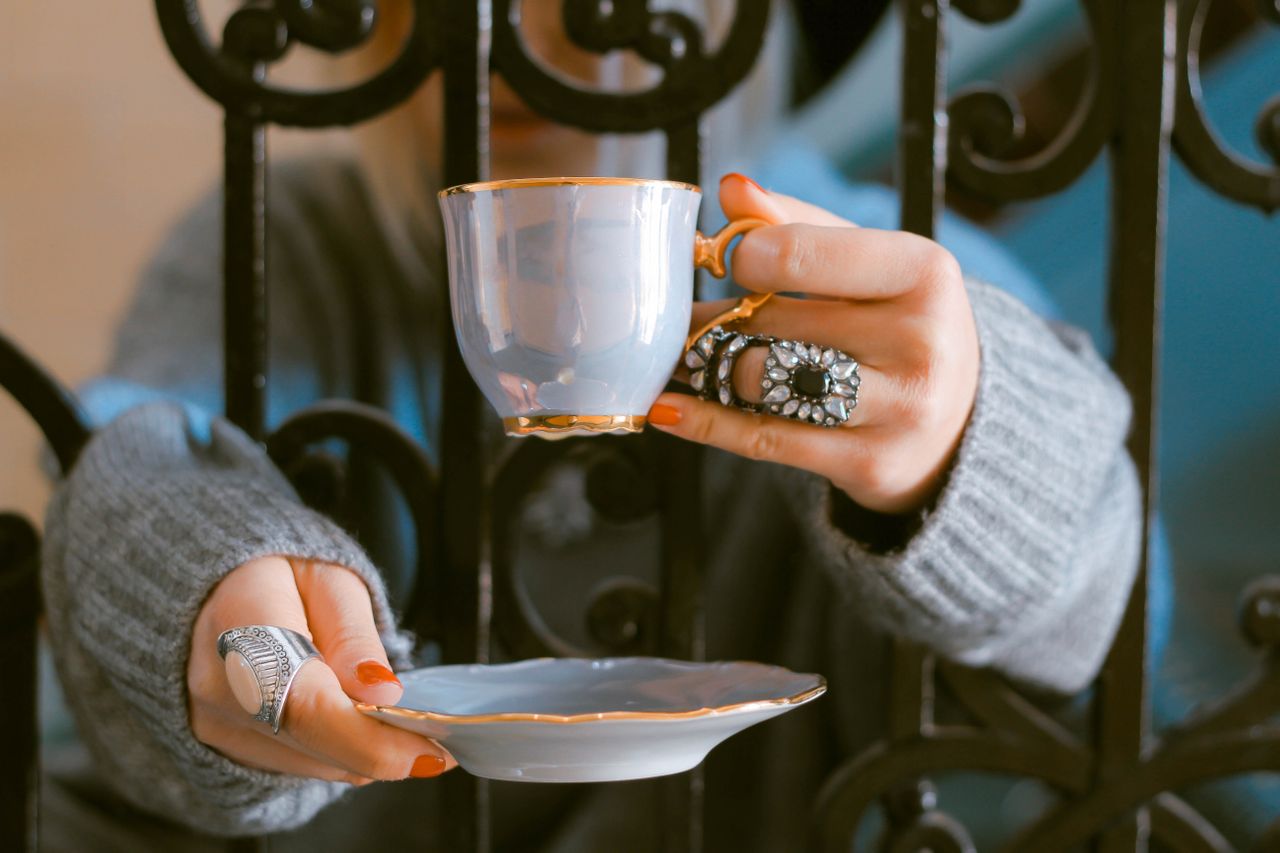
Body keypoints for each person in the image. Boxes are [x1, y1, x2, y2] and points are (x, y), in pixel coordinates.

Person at [38, 1, 1140, 850]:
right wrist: (191, 578)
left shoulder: (869, 273)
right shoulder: (294, 238)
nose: (516, 31)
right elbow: (128, 449)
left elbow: (1106, 610)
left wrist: (961, 458)